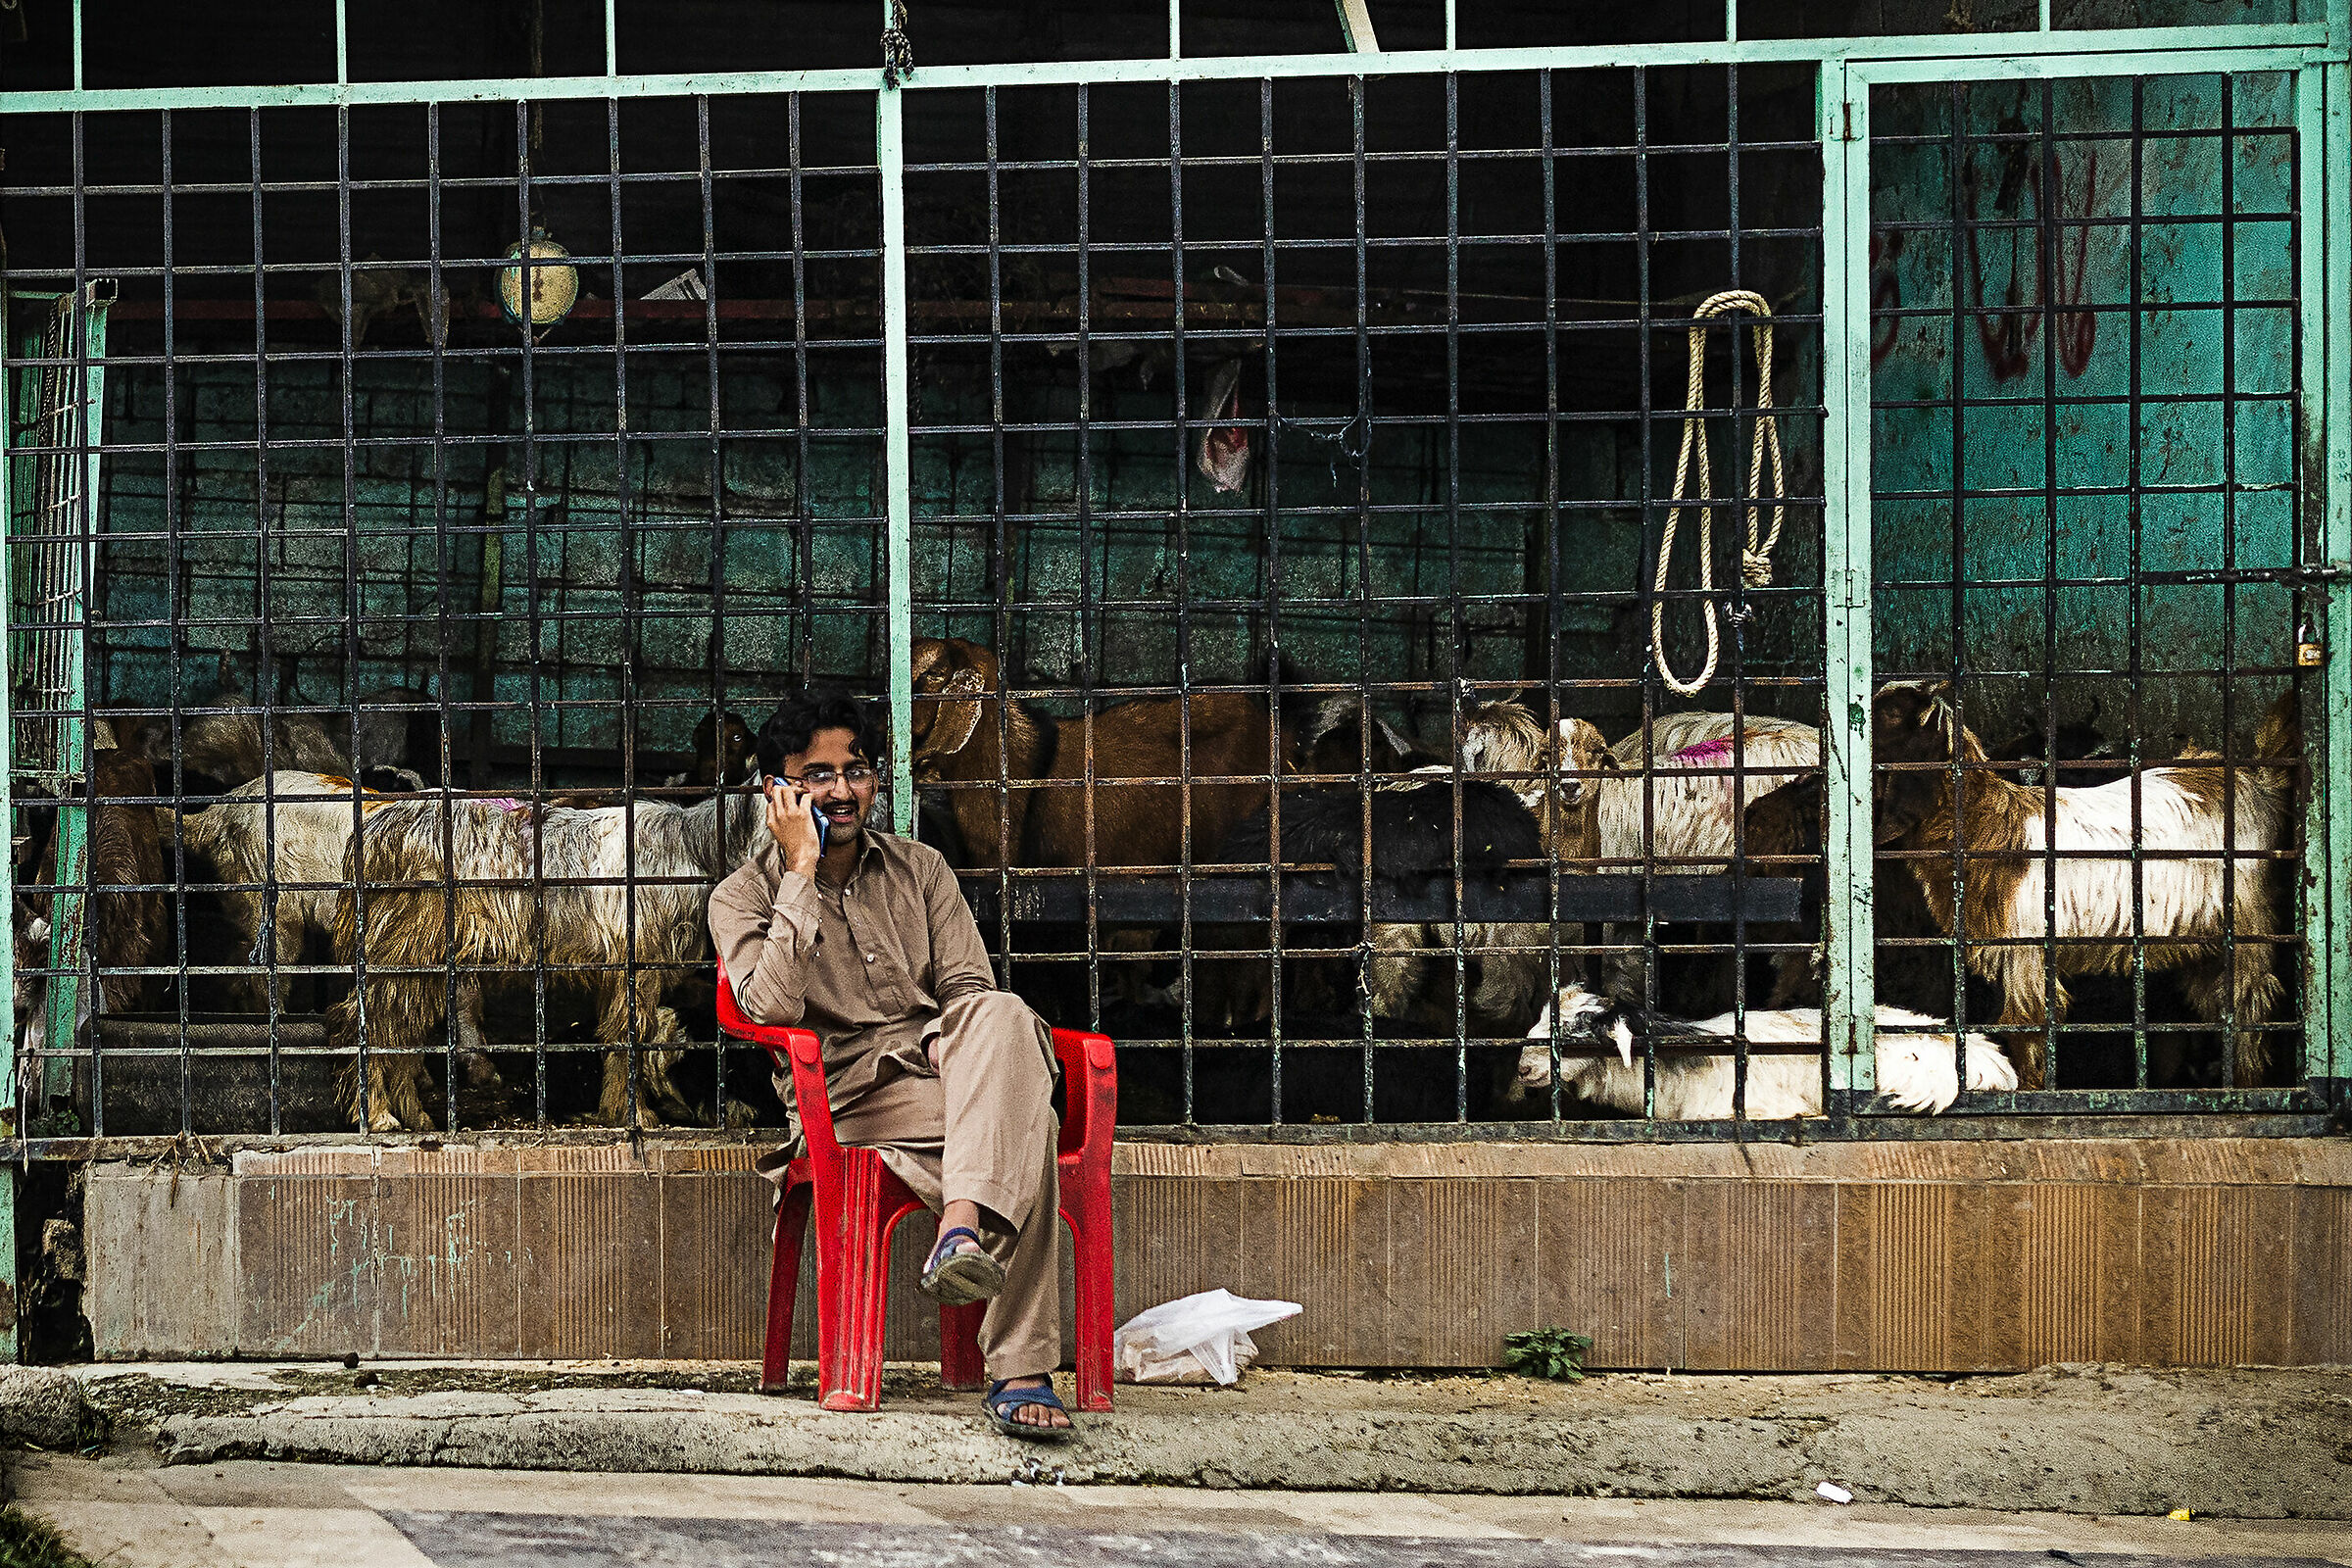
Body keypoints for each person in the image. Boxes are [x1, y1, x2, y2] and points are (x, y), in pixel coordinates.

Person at [707, 686, 1073, 1440]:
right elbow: (770, 1006)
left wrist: (944, 1039)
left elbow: (970, 988)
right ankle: (1021, 1367)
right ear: (777, 789)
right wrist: (800, 872)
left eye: (858, 769)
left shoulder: (923, 870)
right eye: (817, 774)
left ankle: (961, 1229)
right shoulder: (739, 899)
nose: (841, 790)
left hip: (942, 1074)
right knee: (1025, 1122)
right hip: (843, 1095)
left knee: (1005, 1016)